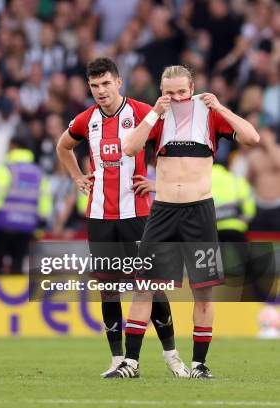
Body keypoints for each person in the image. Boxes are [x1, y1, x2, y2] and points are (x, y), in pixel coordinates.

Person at [110, 65, 260, 379]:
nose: (176, 98)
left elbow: (251, 137)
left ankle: (199, 365)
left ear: (191, 88)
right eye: (169, 92)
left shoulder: (210, 114)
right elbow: (130, 148)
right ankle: (131, 363)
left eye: (181, 91)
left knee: (203, 292)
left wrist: (220, 107)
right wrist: (153, 112)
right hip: (163, 212)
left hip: (199, 212)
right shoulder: (157, 117)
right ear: (161, 91)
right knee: (144, 288)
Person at [56, 57, 188, 378]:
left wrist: (160, 183)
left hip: (138, 214)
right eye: (94, 85)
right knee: (109, 289)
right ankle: (119, 360)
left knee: (150, 286)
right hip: (100, 216)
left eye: (105, 84)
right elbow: (63, 146)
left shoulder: (143, 113)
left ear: (119, 82)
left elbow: (180, 150)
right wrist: (77, 176)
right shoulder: (86, 120)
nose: (100, 91)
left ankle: (172, 355)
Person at [0, 136, 52, 274]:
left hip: (3, 225)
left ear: (14, 146)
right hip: (27, 227)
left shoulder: (5, 169)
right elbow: (44, 202)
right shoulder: (38, 173)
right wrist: (39, 229)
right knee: (18, 266)